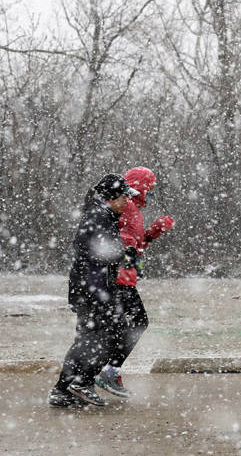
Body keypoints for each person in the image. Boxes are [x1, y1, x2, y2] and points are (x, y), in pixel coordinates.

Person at [47, 174, 140, 407]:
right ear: (113, 197)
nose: (127, 202)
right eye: (124, 198)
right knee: (103, 336)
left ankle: (63, 390)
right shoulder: (99, 216)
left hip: (91, 288)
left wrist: (122, 255)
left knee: (92, 337)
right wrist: (123, 255)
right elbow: (94, 249)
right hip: (92, 289)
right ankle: (79, 382)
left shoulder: (101, 214)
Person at [95, 167, 174, 398]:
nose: (151, 194)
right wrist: (130, 246)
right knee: (137, 323)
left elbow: (133, 247)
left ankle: (98, 373)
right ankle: (107, 371)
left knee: (121, 326)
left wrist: (151, 234)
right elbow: (120, 241)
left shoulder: (132, 209)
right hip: (119, 278)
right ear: (140, 187)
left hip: (123, 277)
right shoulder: (127, 207)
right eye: (150, 189)